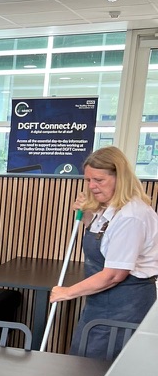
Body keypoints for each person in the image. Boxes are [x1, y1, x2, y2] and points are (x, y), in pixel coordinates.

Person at [50, 146, 158, 358]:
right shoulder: (108, 208)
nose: (92, 186)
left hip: (125, 305)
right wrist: (89, 213)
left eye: (99, 180)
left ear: (120, 178)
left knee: (100, 370)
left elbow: (114, 275)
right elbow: (104, 242)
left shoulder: (131, 216)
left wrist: (67, 292)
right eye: (88, 180)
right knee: (83, 363)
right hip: (101, 301)